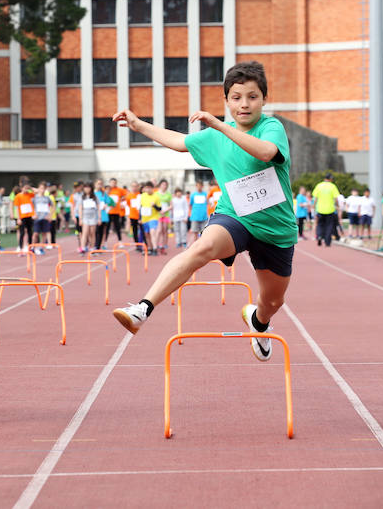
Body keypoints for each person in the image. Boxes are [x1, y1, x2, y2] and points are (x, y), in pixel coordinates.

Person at [112, 61, 298, 363]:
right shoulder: (214, 137)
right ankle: (142, 309)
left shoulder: (270, 127)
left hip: (276, 229)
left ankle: (259, 321)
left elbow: (266, 152)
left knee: (273, 301)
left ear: (264, 99)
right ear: (227, 101)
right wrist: (138, 124)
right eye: (236, 98)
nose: (244, 104)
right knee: (202, 248)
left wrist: (220, 126)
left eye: (252, 97)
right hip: (235, 217)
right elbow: (178, 141)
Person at [312, 172, 340, 247]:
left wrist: (314, 206)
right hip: (330, 210)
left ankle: (319, 236)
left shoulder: (319, 186)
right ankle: (327, 242)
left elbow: (315, 198)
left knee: (320, 224)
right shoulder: (332, 186)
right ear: (330, 179)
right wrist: (337, 205)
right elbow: (336, 198)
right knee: (329, 226)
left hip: (320, 209)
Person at [13, 183, 35, 252]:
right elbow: (17, 208)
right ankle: (20, 246)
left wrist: (30, 188)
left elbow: (37, 192)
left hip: (29, 216)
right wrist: (18, 218)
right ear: (22, 188)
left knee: (30, 232)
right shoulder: (18, 196)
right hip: (22, 217)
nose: (26, 190)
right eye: (25, 188)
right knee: (22, 232)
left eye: (27, 188)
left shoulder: (30, 194)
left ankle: (30, 246)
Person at [78, 181, 98, 254]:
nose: (87, 189)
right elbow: (80, 208)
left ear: (91, 188)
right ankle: (83, 247)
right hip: (85, 217)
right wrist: (80, 219)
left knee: (92, 233)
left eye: (88, 187)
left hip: (93, 216)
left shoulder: (95, 197)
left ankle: (92, 247)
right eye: (85, 187)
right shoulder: (82, 197)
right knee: (85, 232)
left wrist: (99, 218)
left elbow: (98, 208)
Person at [188, 180, 209, 244]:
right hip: (195, 217)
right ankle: (195, 246)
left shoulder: (205, 194)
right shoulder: (193, 195)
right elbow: (190, 205)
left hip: (204, 217)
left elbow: (208, 204)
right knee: (195, 233)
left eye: (200, 185)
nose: (199, 187)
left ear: (202, 186)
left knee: (204, 233)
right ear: (196, 186)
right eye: (198, 186)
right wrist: (190, 214)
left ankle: (203, 246)